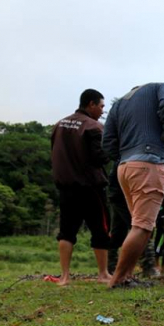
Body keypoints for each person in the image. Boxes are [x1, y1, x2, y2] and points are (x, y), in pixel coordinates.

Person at [102, 83, 164, 288]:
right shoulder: (159, 88)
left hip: (125, 167)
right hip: (149, 163)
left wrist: (124, 157)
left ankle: (125, 277)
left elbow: (108, 140)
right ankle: (117, 280)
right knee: (142, 226)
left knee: (140, 225)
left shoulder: (119, 103)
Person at [50, 88, 111, 286]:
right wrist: (113, 151)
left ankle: (65, 276)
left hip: (66, 187)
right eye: (101, 106)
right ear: (91, 104)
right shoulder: (93, 127)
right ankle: (103, 273)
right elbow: (98, 157)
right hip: (91, 187)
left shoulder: (59, 125)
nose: (102, 110)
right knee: (100, 229)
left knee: (67, 231)